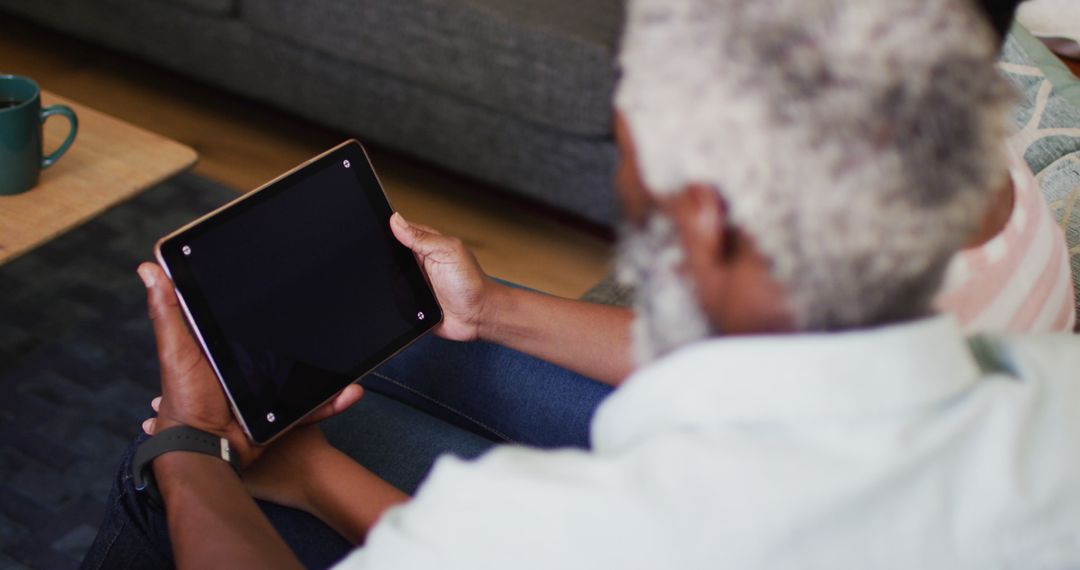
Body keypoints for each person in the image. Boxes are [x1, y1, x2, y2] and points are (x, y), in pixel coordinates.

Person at [82, 0, 1080, 568]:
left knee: (184, 478)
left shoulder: (570, 526)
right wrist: (493, 309)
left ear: (701, 207)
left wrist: (193, 451)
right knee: (413, 332)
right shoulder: (1009, 254)